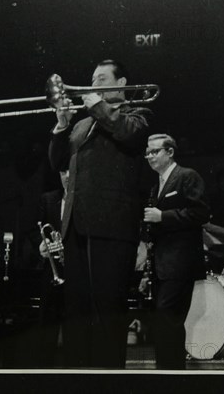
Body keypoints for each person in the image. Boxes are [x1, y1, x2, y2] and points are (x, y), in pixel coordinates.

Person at [48, 59, 152, 368]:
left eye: (101, 78)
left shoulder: (138, 114)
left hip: (112, 227)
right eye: (92, 79)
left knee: (107, 313)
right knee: (77, 315)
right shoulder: (81, 125)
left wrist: (97, 107)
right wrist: (62, 124)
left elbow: (128, 135)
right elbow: (57, 163)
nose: (92, 84)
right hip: (77, 227)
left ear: (120, 84)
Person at [143, 133, 210, 370]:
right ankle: (168, 372)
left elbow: (201, 213)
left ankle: (171, 373)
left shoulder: (186, 176)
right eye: (148, 152)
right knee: (165, 320)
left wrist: (163, 216)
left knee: (167, 315)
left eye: (155, 151)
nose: (149, 156)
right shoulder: (157, 184)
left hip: (180, 262)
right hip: (163, 264)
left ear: (170, 152)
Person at [34, 170, 69, 367]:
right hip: (52, 270)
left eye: (71, 171)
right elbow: (35, 231)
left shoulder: (83, 199)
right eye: (63, 171)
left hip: (76, 270)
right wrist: (42, 246)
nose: (66, 175)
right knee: (47, 325)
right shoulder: (48, 199)